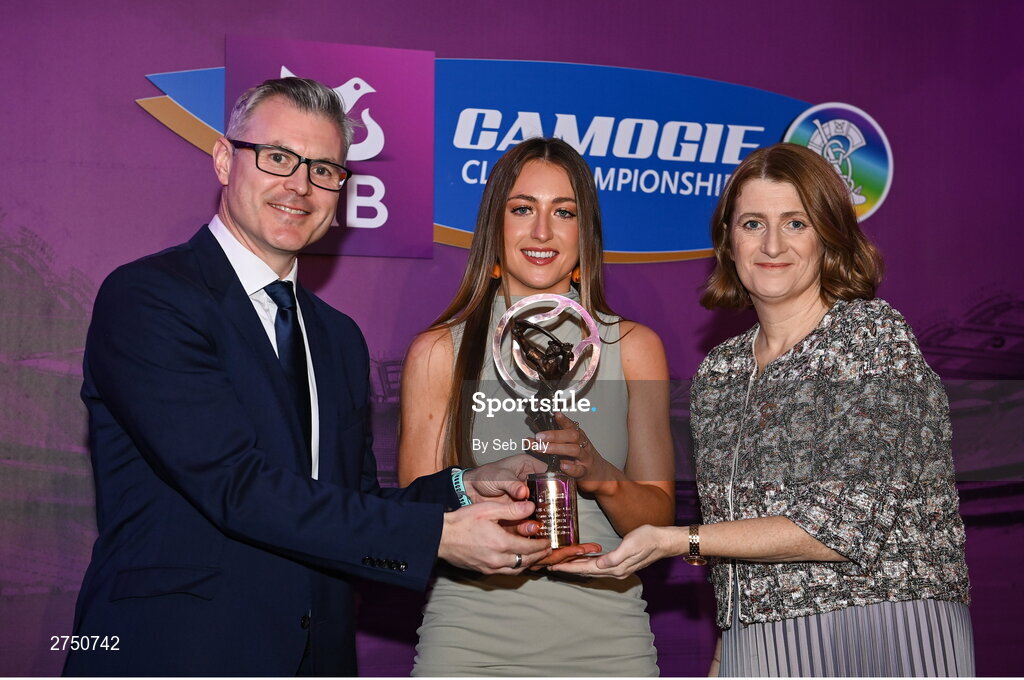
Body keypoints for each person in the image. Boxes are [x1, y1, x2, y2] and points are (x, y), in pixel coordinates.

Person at [63, 77, 553, 677]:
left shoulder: (337, 337)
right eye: (278, 157)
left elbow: (350, 500)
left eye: (324, 169)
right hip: (177, 651)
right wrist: (435, 536)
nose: (300, 185)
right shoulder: (150, 298)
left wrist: (464, 488)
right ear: (225, 160)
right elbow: (235, 485)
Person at [552, 143, 974, 676]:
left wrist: (675, 539)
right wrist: (724, 656)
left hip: (883, 629)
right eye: (753, 224)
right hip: (758, 645)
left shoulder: (870, 337)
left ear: (828, 236)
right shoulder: (720, 372)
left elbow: (844, 525)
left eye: (795, 223)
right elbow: (735, 542)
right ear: (729, 242)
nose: (772, 244)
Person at [398, 137, 675, 676]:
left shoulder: (633, 347)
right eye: (523, 209)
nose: (542, 231)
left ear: (585, 233)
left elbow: (658, 519)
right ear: (494, 227)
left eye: (564, 212)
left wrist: (600, 475)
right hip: (470, 642)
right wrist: (502, 526)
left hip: (608, 642)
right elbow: (417, 518)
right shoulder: (439, 352)